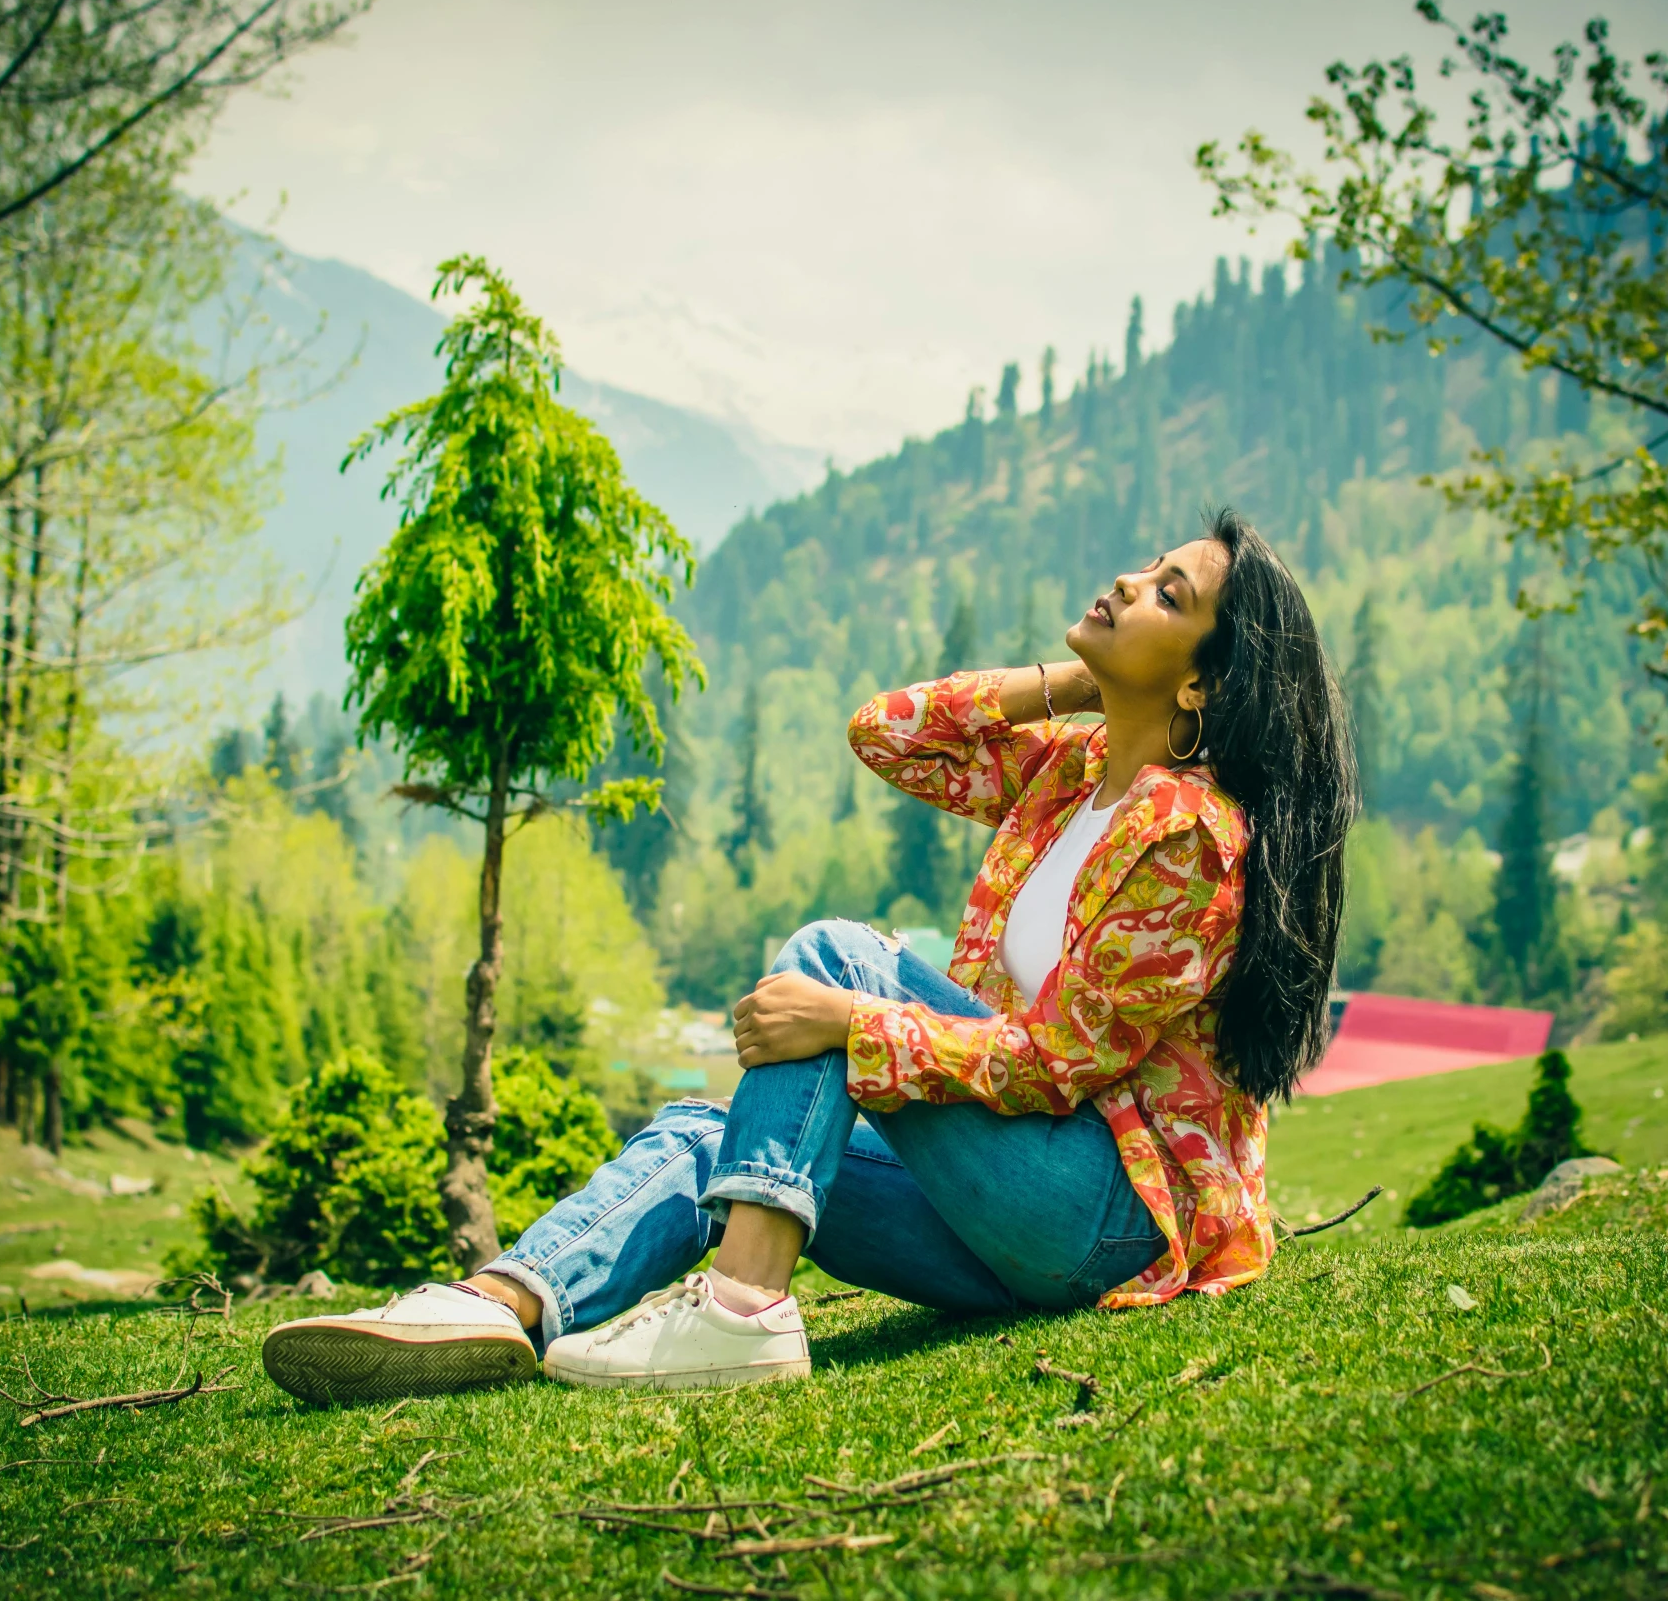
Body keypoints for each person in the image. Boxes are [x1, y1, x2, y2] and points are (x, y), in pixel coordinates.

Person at [260, 510, 1357, 1402]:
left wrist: (851, 1024)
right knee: (710, 1134)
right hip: (1008, 1210)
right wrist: (1069, 682)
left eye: (1168, 594)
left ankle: (741, 1311)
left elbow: (1061, 1062)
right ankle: (501, 1303)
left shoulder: (1185, 833)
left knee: (839, 959)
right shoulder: (1068, 777)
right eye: (1147, 566)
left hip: (1108, 1218)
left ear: (1204, 684)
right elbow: (886, 730)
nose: (1126, 582)